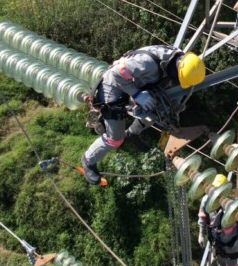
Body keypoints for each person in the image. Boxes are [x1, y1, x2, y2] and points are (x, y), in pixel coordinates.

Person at [81, 45, 205, 185]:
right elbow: (116, 74)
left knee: (158, 108)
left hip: (139, 81)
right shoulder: (148, 64)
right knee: (115, 139)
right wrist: (137, 94)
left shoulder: (181, 60)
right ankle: (88, 160)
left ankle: (132, 133)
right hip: (114, 86)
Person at [198, 174, 238, 266]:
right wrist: (201, 233)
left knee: (232, 265)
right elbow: (202, 216)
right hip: (216, 238)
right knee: (219, 255)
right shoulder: (206, 200)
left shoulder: (231, 206)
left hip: (231, 241)